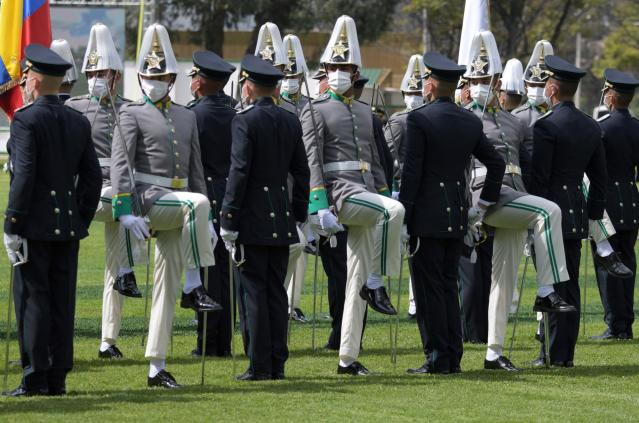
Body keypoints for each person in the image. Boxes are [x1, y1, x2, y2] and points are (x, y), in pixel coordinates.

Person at [110, 23, 221, 388]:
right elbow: (120, 163)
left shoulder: (187, 115)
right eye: (146, 75)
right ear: (140, 77)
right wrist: (124, 209)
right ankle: (196, 285)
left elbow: (196, 171)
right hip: (150, 201)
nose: (152, 80)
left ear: (171, 77)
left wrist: (205, 220)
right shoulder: (131, 113)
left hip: (184, 204)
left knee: (164, 285)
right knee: (196, 206)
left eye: (159, 75)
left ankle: (156, 366)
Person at [464, 31, 574, 372]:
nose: (483, 84)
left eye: (488, 78)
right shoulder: (465, 118)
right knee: (548, 210)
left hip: (514, 196)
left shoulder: (513, 121)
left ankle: (493, 353)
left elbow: (526, 167)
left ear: (497, 81)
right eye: (477, 79)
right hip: (485, 198)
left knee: (503, 280)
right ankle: (547, 288)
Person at [301, 15, 404, 375]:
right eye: (333, 66)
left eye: (345, 67)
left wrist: (384, 193)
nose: (339, 72)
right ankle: (380, 284)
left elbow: (375, 161)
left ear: (355, 70)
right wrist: (319, 206)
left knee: (354, 280)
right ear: (326, 70)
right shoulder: (314, 110)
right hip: (340, 195)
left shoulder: (364, 111)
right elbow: (312, 160)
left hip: (364, 193)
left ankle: (347, 356)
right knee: (393, 212)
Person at [3, 44, 101, 396]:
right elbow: (92, 178)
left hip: (34, 226)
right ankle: (57, 377)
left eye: (26, 76)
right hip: (67, 227)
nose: (24, 81)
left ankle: (35, 377)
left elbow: (24, 175)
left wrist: (12, 223)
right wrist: (82, 218)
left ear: (36, 79)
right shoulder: (77, 120)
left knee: (32, 300)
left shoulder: (26, 120)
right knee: (62, 302)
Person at [400, 51, 505, 375]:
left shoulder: (419, 119)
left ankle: (436, 357)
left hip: (427, 215)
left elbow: (413, 173)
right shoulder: (469, 120)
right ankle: (452, 356)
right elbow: (497, 163)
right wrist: (481, 206)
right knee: (447, 286)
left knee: (429, 289)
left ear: (431, 84)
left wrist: (405, 216)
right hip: (457, 212)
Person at [220, 55, 310, 380]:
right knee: (275, 291)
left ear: (248, 86)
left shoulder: (244, 121)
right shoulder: (291, 120)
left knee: (254, 292)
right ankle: (277, 362)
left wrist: (228, 218)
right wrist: (299, 213)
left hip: (252, 218)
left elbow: (239, 171)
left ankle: (259, 365)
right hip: (281, 216)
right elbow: (302, 171)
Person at [66, 23, 145, 360]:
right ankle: (129, 272)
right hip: (88, 192)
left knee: (114, 262)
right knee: (124, 203)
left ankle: (107, 341)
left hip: (119, 192)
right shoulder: (75, 107)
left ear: (116, 75)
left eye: (105, 72)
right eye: (94, 71)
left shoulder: (128, 108)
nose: (99, 77)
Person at [529, 55, 608, 367]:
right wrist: (593, 217)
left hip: (549, 215)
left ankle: (549, 353)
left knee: (550, 284)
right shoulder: (590, 126)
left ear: (551, 88)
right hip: (575, 213)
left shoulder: (546, 126)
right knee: (569, 284)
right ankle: (563, 355)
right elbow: (600, 179)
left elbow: (540, 179)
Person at [187, 50, 237, 357]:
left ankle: (207, 342)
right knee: (226, 273)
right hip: (229, 193)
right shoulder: (235, 114)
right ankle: (224, 342)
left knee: (205, 268)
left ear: (202, 82)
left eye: (194, 76)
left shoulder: (192, 114)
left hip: (203, 194)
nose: (191, 81)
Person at [591, 69, 639, 340]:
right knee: (628, 260)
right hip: (631, 199)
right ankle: (626, 324)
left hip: (606, 202)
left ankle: (615, 325)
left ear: (610, 96)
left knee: (606, 261)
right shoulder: (637, 127)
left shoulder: (602, 127)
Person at [384, 54, 426, 318]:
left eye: (418, 91)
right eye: (411, 92)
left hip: (423, 189)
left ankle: (415, 302)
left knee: (418, 246)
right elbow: (388, 155)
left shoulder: (427, 118)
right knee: (401, 245)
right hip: (401, 187)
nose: (415, 96)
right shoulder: (399, 121)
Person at [279, 34, 311, 322]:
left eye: (295, 74)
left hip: (307, 185)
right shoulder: (279, 106)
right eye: (286, 74)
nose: (290, 79)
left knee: (300, 248)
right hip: (281, 181)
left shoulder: (309, 107)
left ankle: (293, 302)